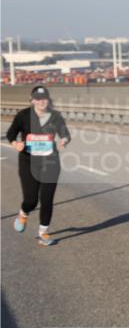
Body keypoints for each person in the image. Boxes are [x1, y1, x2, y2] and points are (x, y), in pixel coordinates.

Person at [6, 85, 71, 246]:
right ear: (32, 100)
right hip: (28, 163)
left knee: (47, 199)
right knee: (31, 200)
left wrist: (64, 140)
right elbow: (11, 133)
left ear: (48, 100)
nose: (42, 101)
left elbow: (65, 133)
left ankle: (43, 233)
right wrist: (15, 143)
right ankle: (23, 213)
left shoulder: (55, 116)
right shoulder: (23, 116)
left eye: (45, 98)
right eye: (38, 98)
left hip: (50, 163)